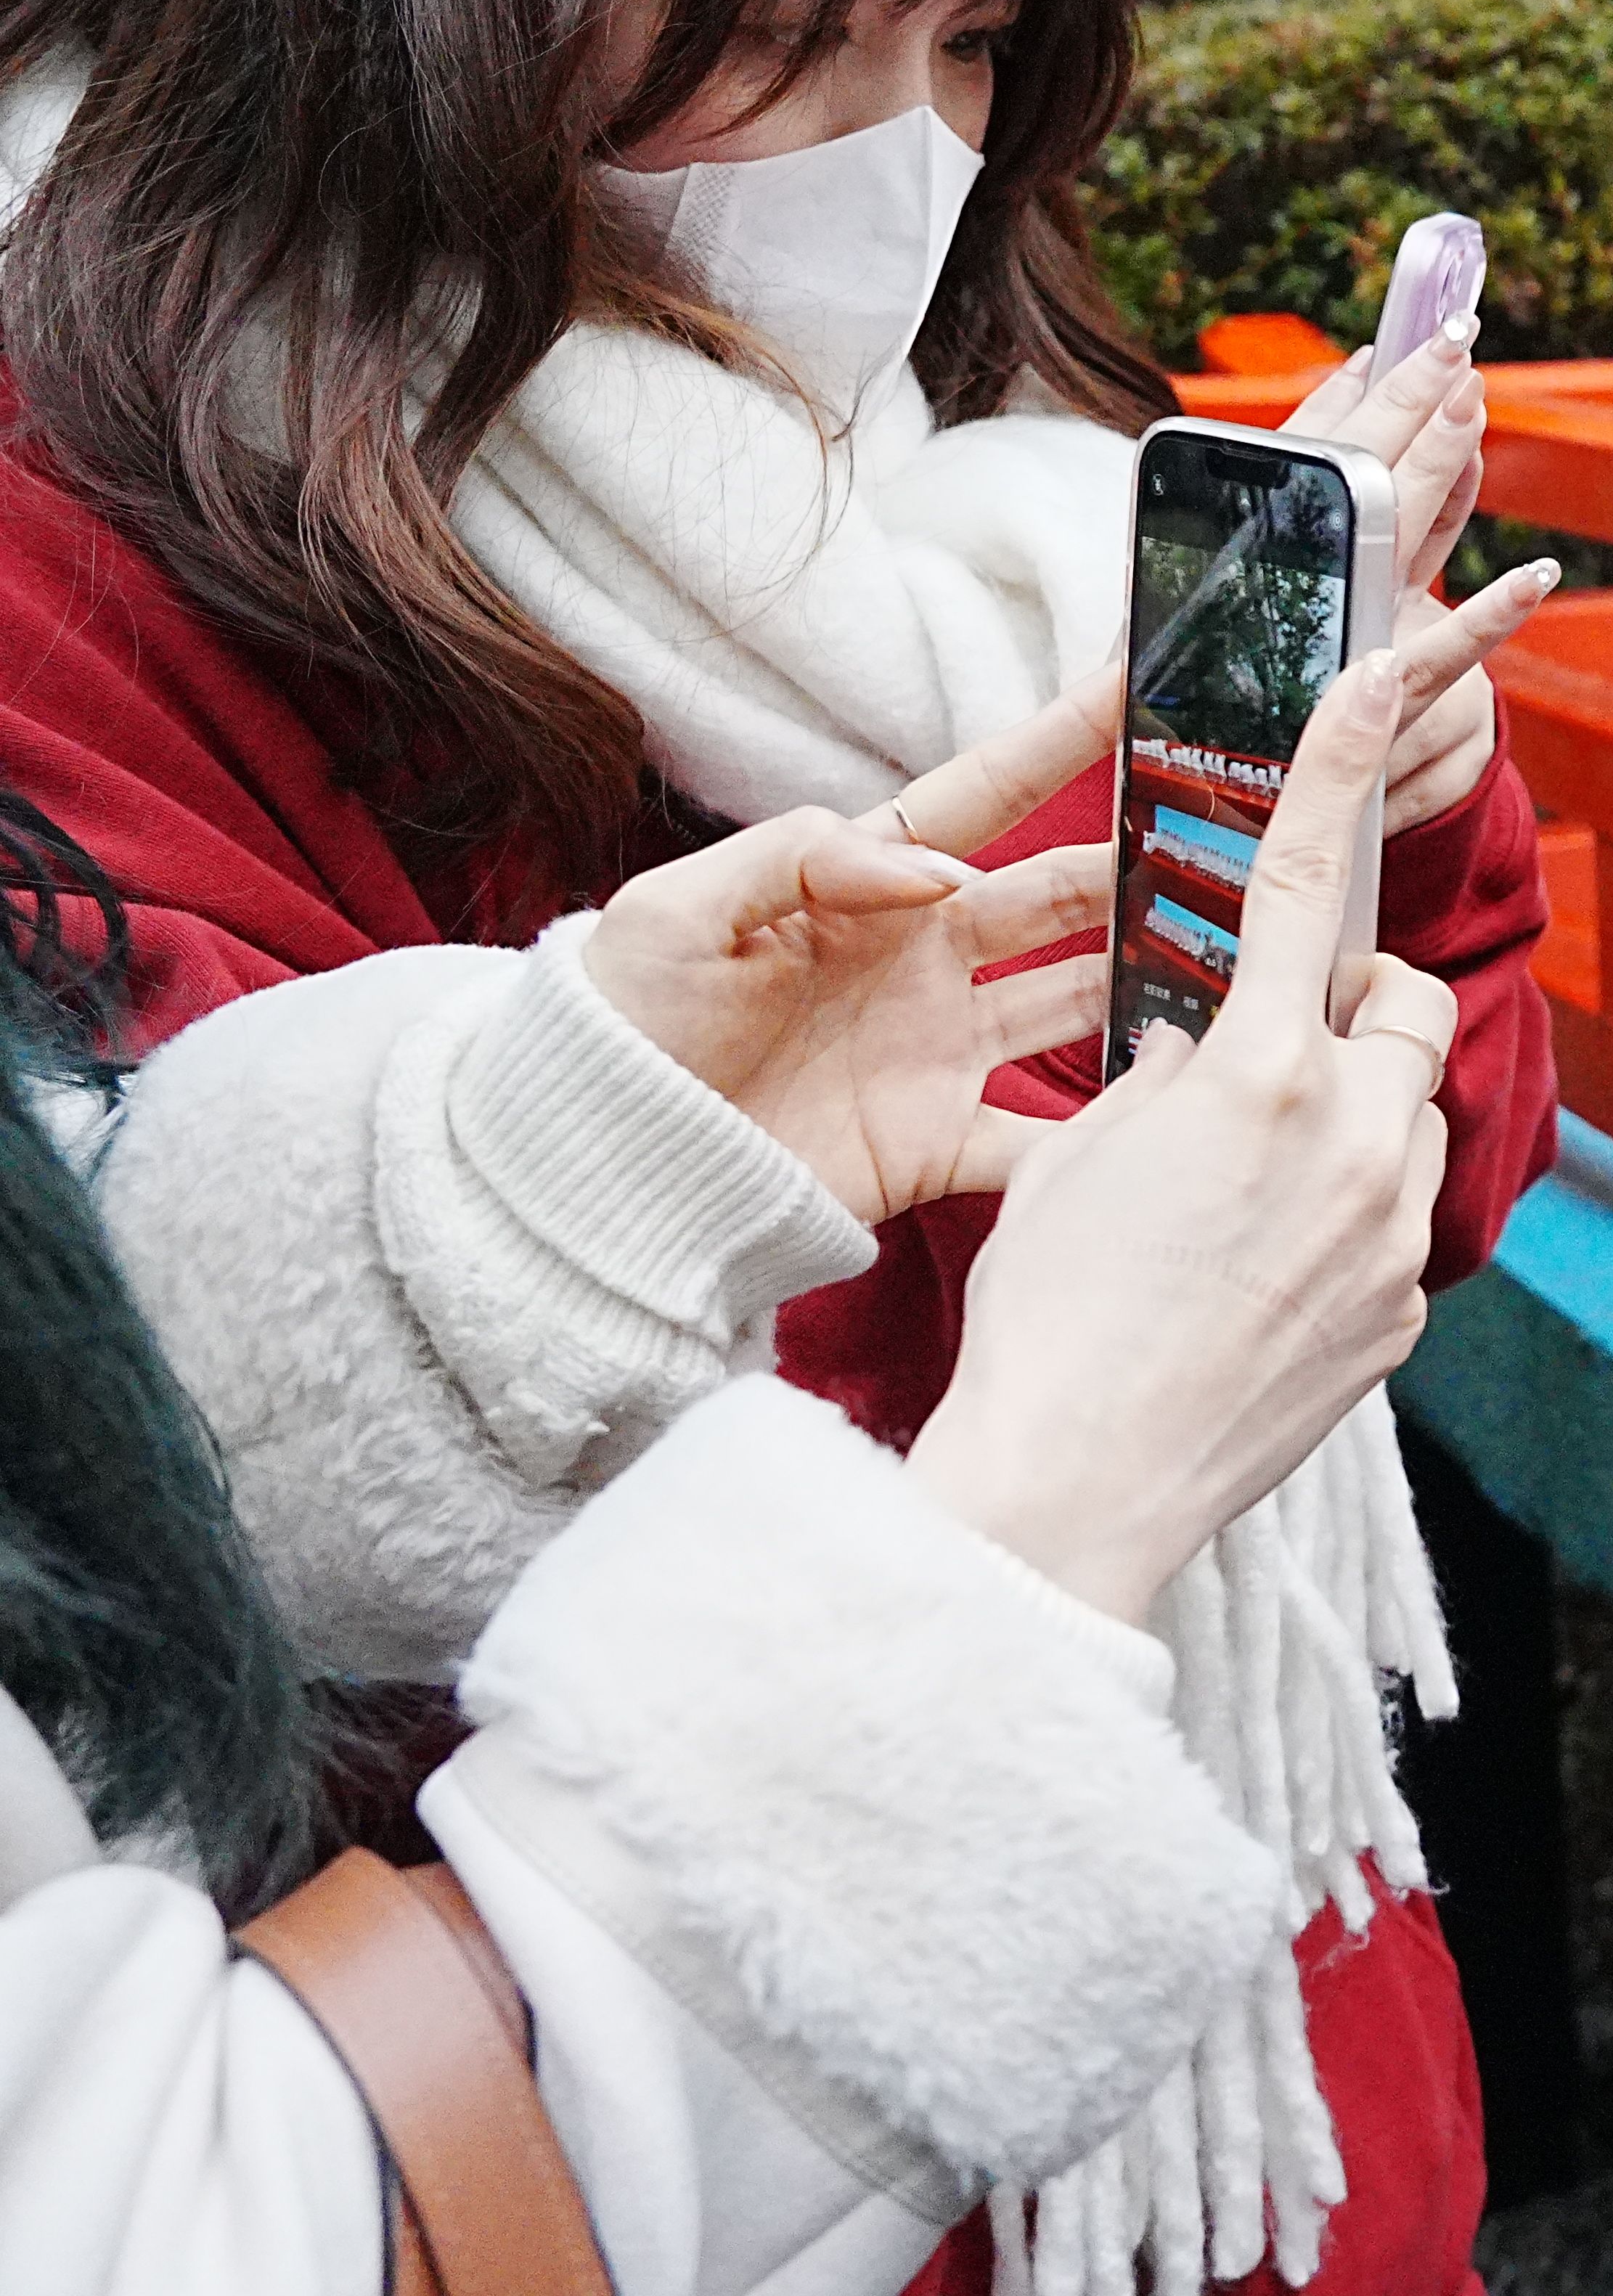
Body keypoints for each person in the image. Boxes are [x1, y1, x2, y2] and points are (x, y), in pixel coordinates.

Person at [0, 0, 1564, 2296]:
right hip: (643, 2095)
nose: (904, 159)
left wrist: (1411, 839)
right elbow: (189, 1493)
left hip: (1240, 2032)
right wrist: (672, 1156)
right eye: (772, 26)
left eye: (975, 42)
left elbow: (1431, 1176)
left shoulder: (1016, 475)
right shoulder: (83, 527)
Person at [3, 642, 1485, 2295]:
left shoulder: (1054, 473)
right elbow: (145, 2213)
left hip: (1277, 2040)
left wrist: (557, 1173)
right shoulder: (102, 588)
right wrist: (1036, 1516)